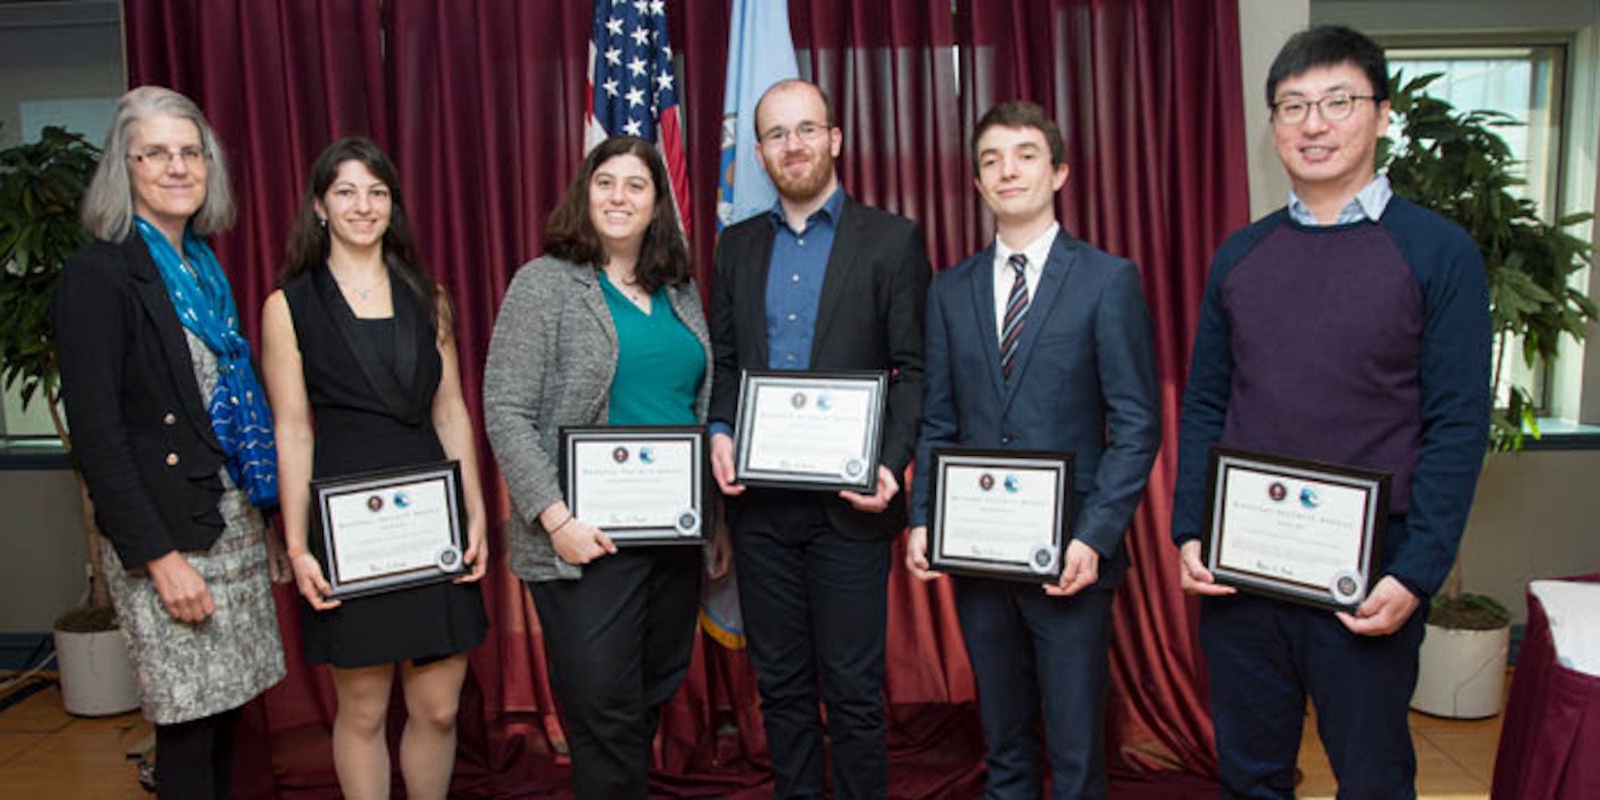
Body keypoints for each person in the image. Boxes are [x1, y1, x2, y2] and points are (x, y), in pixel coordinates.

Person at [1170, 26, 1491, 799]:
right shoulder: (1240, 255)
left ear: (1381, 116)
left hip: (1371, 574)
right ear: (1274, 125)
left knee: (1374, 776)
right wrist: (1190, 528)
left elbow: (1456, 423)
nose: (1314, 124)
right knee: (1249, 774)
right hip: (1244, 567)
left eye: (1337, 102)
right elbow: (1209, 399)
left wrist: (1416, 573)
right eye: (1293, 106)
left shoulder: (1437, 253)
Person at [906, 100, 1161, 798]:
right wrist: (923, 517)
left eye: (1024, 155)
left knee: (1077, 753)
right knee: (1005, 743)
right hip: (979, 555)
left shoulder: (1109, 281)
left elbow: (1138, 424)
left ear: (1059, 172)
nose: (1006, 170)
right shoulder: (950, 290)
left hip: (1071, 562)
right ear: (979, 184)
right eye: (991, 160)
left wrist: (1096, 537)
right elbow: (938, 421)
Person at [52, 85, 286, 800]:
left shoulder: (202, 271)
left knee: (224, 719)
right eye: (154, 153)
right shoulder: (96, 276)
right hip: (168, 540)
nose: (177, 167)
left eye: (190, 152)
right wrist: (158, 559)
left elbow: (223, 410)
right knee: (187, 728)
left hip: (228, 525)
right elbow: (98, 437)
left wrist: (265, 520)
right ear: (123, 169)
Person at [707, 79, 932, 799]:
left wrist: (892, 464)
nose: (793, 145)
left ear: (835, 138)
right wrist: (718, 430)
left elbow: (916, 369)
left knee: (856, 692)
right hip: (762, 506)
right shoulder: (734, 247)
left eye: (807, 130)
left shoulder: (892, 240)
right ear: (760, 151)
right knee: (782, 687)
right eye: (776, 134)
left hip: (851, 506)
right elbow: (725, 362)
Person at [482, 135, 726, 799]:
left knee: (649, 692)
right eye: (606, 182)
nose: (620, 197)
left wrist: (714, 518)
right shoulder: (545, 284)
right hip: (585, 538)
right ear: (584, 194)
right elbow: (504, 410)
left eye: (636, 186)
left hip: (673, 535)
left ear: (656, 204)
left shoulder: (678, 290)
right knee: (604, 709)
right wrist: (554, 517)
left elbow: (694, 406)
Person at [259, 137, 489, 800]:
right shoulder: (289, 306)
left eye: (377, 192)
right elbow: (294, 428)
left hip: (432, 521)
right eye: (347, 192)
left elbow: (451, 413)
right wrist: (298, 544)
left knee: (439, 706)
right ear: (320, 207)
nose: (364, 206)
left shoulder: (430, 297)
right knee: (362, 710)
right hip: (346, 527)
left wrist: (474, 513)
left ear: (394, 204)